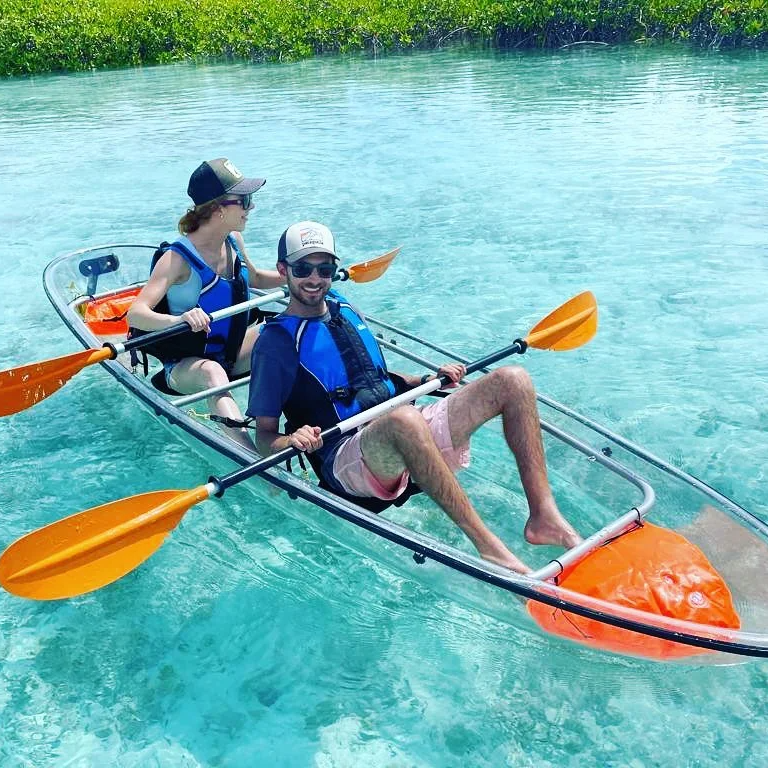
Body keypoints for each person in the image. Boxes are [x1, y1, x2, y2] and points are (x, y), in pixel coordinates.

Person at [246, 221, 581, 573]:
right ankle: (490, 549)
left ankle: (544, 516)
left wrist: (426, 380)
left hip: (399, 431)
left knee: (513, 380)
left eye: (325, 268)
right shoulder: (276, 343)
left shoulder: (344, 309)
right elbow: (264, 436)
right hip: (345, 459)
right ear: (283, 269)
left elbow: (373, 379)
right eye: (303, 269)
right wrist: (292, 440)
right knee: (404, 420)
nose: (315, 278)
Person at [127, 158, 284, 450]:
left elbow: (254, 278)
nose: (251, 207)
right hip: (186, 367)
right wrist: (180, 320)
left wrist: (299, 276)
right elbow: (136, 314)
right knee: (213, 372)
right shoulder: (177, 259)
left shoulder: (233, 240)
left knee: (286, 330)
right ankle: (252, 458)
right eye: (244, 200)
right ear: (218, 208)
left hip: (231, 353)